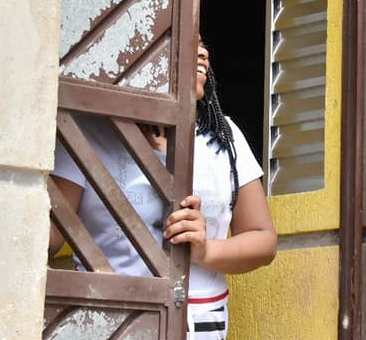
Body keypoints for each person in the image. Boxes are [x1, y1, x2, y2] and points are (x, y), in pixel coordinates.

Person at [49, 39, 277, 339]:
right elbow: (45, 239)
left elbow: (263, 239)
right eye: (189, 42)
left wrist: (205, 250)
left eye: (203, 45)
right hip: (111, 323)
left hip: (201, 324)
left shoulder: (225, 136)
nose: (203, 53)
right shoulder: (86, 130)